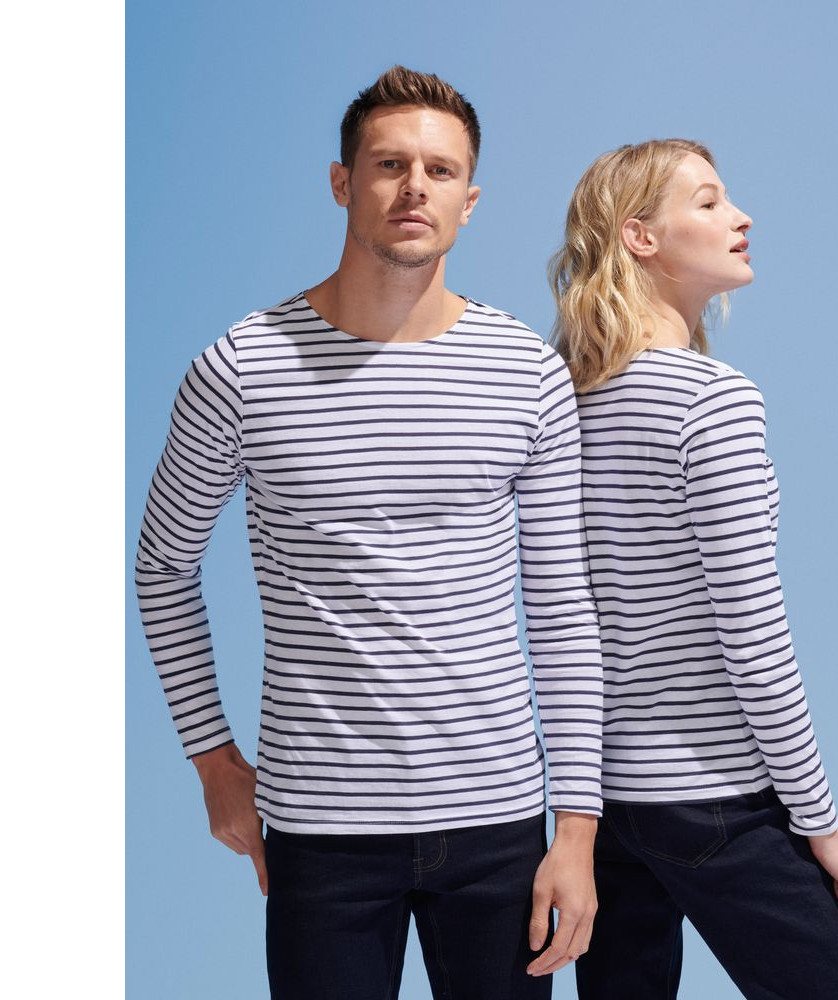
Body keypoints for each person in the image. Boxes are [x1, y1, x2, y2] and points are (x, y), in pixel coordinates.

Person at [134, 66, 604, 1000]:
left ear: (470, 201)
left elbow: (562, 607)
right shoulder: (242, 367)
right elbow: (162, 568)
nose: (414, 187)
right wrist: (214, 763)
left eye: (440, 170)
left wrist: (579, 831)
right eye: (390, 165)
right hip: (321, 832)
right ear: (343, 182)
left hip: (499, 822)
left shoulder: (525, 374)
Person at [548, 139, 838, 1000]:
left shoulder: (569, 405)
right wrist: (823, 829)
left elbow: (568, 623)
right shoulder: (711, 401)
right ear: (640, 237)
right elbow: (754, 640)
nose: (741, 217)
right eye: (708, 201)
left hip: (611, 812)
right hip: (718, 798)